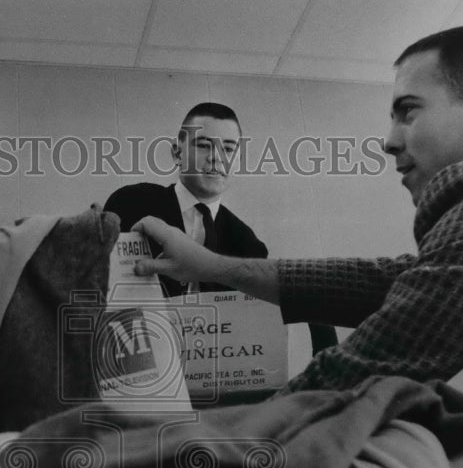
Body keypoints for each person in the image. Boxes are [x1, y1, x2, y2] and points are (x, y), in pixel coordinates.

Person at [133, 24, 463, 422]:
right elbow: (407, 281)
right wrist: (216, 266)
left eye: (408, 111)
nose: (387, 141)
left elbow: (366, 363)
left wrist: (185, 447)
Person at [105, 101, 337, 353]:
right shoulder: (131, 203)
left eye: (228, 148)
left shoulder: (247, 242)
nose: (217, 157)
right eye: (204, 145)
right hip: (139, 359)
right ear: (177, 153)